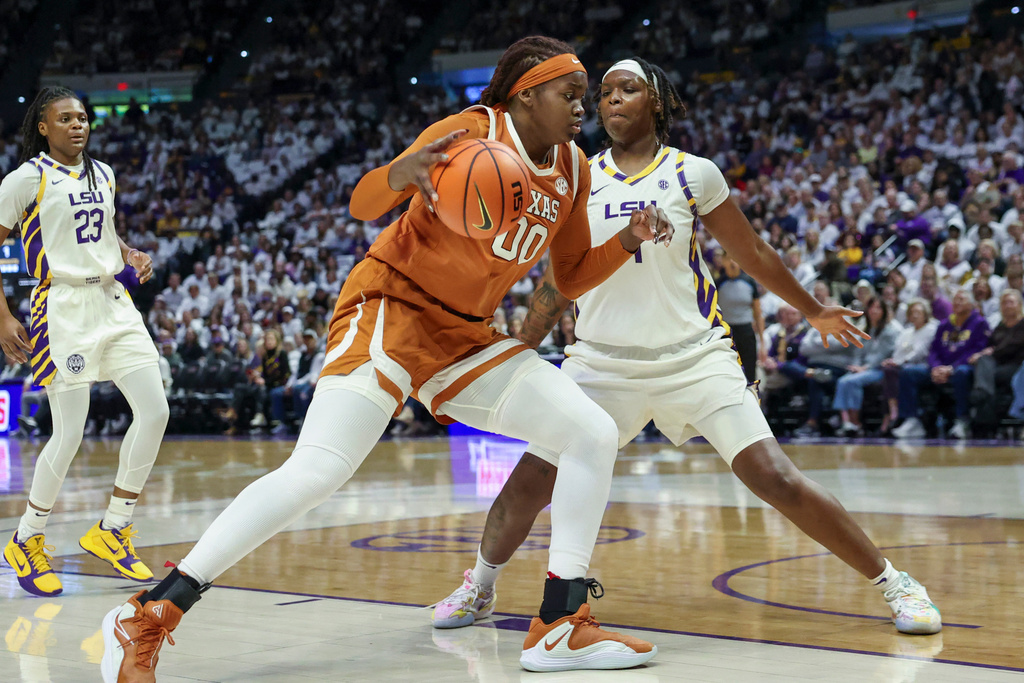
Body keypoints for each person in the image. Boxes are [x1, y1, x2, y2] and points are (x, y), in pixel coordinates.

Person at [100, 37, 673, 681]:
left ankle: (558, 626)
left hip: (464, 336)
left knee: (591, 432)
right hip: (390, 307)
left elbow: (566, 277)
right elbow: (363, 203)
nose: (583, 107)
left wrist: (626, 240)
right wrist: (400, 175)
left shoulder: (573, 170)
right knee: (319, 470)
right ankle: (150, 612)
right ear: (526, 94)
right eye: (570, 94)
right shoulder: (467, 132)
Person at [429, 57, 942, 642]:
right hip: (600, 363)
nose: (610, 100)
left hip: (696, 356)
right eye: (604, 93)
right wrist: (520, 345)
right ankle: (482, 583)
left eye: (627, 89)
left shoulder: (693, 173)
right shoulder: (576, 177)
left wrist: (812, 309)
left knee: (774, 477)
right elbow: (558, 280)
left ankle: (894, 582)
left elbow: (753, 252)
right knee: (528, 484)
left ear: (657, 103)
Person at [0, 87, 169, 597]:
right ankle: (27, 538)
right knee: (68, 433)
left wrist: (128, 252)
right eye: (65, 118)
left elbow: (101, 232)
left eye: (83, 117)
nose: (78, 125)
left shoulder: (104, 173)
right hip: (61, 307)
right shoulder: (24, 179)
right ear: (44, 127)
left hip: (114, 302)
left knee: (156, 410)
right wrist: (3, 315)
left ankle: (113, 528)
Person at [892, 288, 990, 439]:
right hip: (939, 368)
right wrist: (936, 367)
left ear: (971, 304)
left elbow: (976, 351)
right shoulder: (944, 324)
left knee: (962, 373)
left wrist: (951, 368)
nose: (957, 302)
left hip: (963, 368)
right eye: (955, 299)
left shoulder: (979, 323)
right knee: (908, 372)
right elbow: (933, 350)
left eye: (961, 299)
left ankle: (962, 420)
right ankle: (912, 420)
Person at [833, 297, 902, 436]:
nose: (874, 311)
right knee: (842, 381)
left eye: (878, 307)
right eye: (872, 307)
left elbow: (883, 355)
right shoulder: (867, 330)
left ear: (883, 311)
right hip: (863, 368)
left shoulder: (890, 331)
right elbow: (858, 351)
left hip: (879, 369)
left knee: (852, 382)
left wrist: (865, 368)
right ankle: (846, 421)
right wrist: (856, 366)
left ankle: (856, 422)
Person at [968, 288, 1024, 437]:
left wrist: (992, 352)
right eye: (1004, 302)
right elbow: (989, 345)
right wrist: (982, 354)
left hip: (1017, 366)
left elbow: (1013, 346)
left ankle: (981, 397)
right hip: (997, 365)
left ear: (1019, 304)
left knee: (987, 372)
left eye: (1011, 302)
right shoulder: (1000, 326)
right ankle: (983, 393)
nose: (1007, 305)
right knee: (984, 361)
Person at [880, 300, 938, 435]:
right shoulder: (906, 332)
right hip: (904, 365)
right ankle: (894, 414)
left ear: (926, 314)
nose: (915, 315)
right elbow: (898, 351)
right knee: (888, 370)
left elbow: (920, 351)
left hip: (925, 365)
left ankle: (911, 418)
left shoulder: (931, 328)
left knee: (907, 372)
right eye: (912, 313)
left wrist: (900, 361)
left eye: (918, 312)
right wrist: (893, 360)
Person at [715, 254, 764, 383]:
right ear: (723, 261)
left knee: (749, 371)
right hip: (726, 332)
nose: (732, 262)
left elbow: (758, 314)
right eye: (729, 258)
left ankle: (753, 399)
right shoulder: (718, 284)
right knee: (728, 371)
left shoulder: (749, 282)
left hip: (746, 331)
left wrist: (763, 343)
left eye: (735, 258)